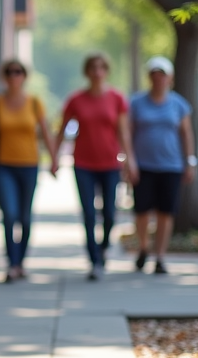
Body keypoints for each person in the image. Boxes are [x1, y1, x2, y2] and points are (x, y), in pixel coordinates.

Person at [0, 59, 58, 283]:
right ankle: (11, 263)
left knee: (25, 217)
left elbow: (45, 132)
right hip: (4, 165)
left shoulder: (34, 102)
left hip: (29, 165)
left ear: (24, 76)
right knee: (9, 215)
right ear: (4, 76)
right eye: (9, 72)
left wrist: (54, 158)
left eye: (18, 72)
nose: (14, 76)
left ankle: (21, 262)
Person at [53, 52, 137, 280]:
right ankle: (94, 260)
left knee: (110, 212)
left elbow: (123, 132)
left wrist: (130, 161)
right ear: (87, 72)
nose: (97, 72)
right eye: (93, 67)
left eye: (101, 67)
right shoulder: (76, 100)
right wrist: (54, 158)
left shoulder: (116, 98)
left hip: (110, 163)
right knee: (89, 213)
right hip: (83, 164)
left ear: (106, 71)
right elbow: (61, 131)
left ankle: (103, 247)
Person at [129, 56, 196, 275]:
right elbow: (128, 133)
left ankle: (160, 256)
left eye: (163, 75)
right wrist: (127, 162)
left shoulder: (178, 104)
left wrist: (190, 162)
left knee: (165, 212)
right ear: (150, 77)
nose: (159, 79)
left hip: (171, 166)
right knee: (142, 211)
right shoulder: (137, 103)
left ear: (170, 78)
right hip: (143, 165)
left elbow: (186, 134)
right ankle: (143, 247)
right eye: (155, 75)